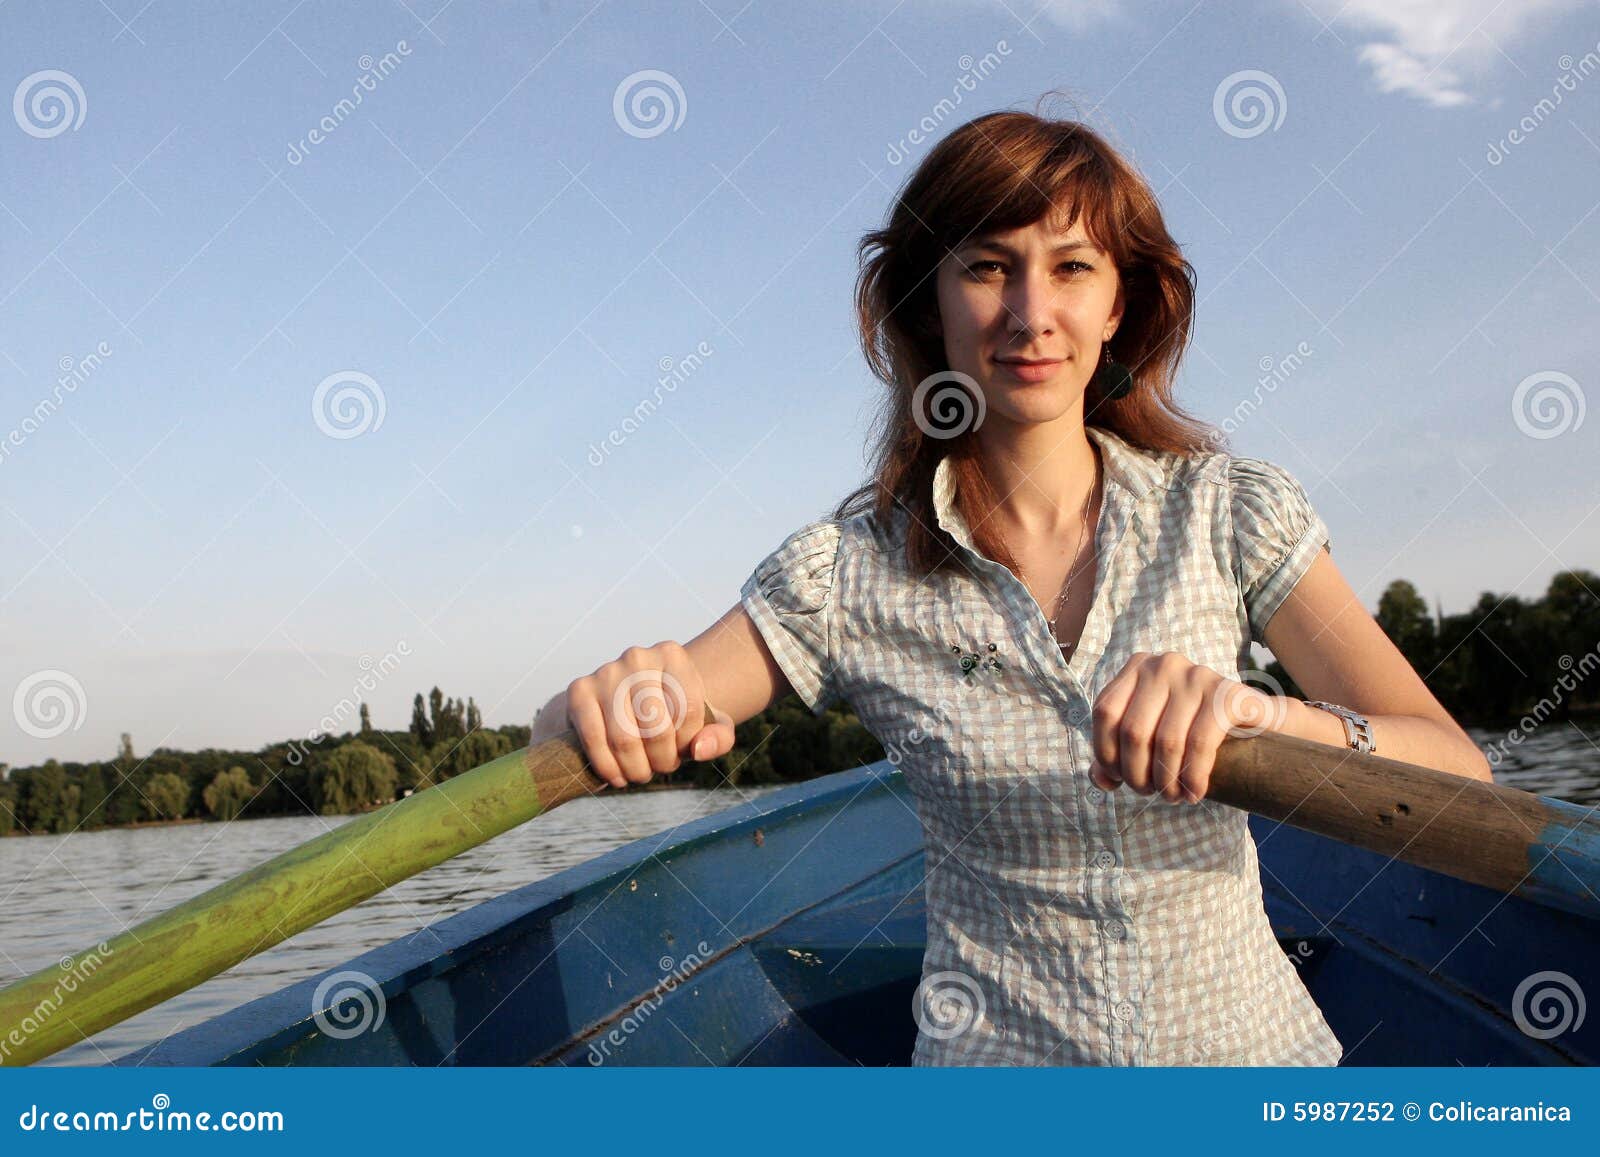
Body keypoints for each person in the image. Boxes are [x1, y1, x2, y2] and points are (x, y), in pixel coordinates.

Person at [531, 107, 1493, 1066]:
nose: (1032, 313)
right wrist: (613, 706)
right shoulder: (846, 572)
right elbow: (586, 731)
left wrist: (1260, 720)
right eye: (988, 266)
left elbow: (1456, 774)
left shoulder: (1229, 513)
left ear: (1118, 303)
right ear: (930, 301)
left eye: (1072, 267)